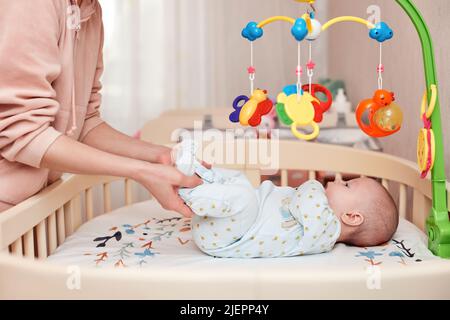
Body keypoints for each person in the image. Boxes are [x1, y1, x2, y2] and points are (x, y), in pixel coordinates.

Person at [0, 0, 201, 216]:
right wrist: (142, 171)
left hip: (31, 207)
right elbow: (22, 132)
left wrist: (160, 155)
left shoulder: (91, 13)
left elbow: (84, 121)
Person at [174, 142, 399, 258]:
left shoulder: (324, 231)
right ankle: (196, 173)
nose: (338, 181)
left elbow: (306, 193)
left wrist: (315, 184)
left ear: (352, 217)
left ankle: (186, 190)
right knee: (241, 183)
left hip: (225, 237)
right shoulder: (321, 214)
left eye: (347, 185)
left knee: (243, 198)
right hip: (224, 223)